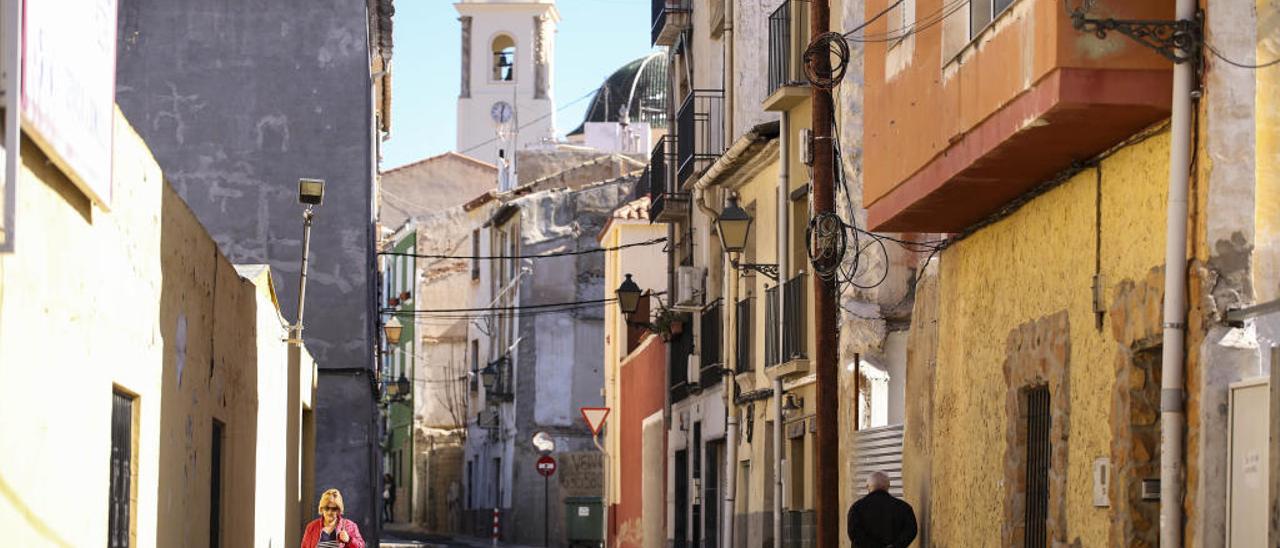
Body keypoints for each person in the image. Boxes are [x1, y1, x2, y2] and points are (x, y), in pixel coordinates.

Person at [846, 471, 917, 548]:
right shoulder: (904, 507)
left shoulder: (857, 508)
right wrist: (896, 545)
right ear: (888, 486)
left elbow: (854, 533)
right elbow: (911, 531)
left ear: (867, 486)